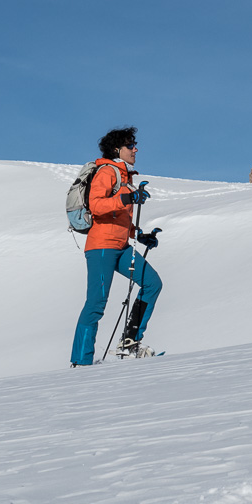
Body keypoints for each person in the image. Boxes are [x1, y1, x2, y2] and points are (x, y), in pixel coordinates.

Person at [71, 126, 163, 365]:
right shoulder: (107, 171)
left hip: (121, 245)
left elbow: (119, 217)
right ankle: (81, 361)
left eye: (134, 145)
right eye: (130, 145)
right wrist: (127, 198)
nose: (136, 149)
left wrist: (139, 235)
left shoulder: (124, 176)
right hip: (101, 246)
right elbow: (96, 206)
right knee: (96, 304)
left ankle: (130, 341)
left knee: (152, 283)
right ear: (117, 149)